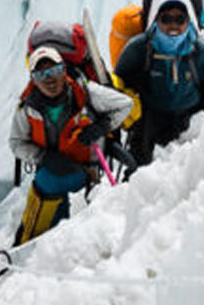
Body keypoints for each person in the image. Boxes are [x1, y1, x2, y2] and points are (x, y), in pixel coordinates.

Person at [8, 43, 134, 245]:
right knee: (49, 180)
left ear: (63, 70)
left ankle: (32, 246)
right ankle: (35, 245)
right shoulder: (26, 108)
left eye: (55, 70)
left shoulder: (85, 93)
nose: (50, 79)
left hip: (87, 174)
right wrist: (44, 157)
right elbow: (16, 143)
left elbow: (125, 104)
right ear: (33, 79)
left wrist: (101, 127)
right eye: (41, 74)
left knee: (48, 182)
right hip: (52, 172)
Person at [115, 0, 204, 169]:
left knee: (189, 171)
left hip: (187, 117)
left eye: (180, 19)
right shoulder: (141, 47)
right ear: (155, 21)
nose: (173, 25)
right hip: (150, 119)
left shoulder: (196, 48)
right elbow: (118, 82)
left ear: (189, 22)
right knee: (141, 173)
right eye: (166, 19)